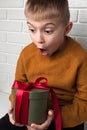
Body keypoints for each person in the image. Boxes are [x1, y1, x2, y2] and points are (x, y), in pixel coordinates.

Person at [0, 0, 87, 130]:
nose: (38, 39)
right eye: (32, 29)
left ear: (66, 29)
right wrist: (18, 110)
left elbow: (84, 103)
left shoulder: (80, 57)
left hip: (66, 116)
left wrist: (52, 119)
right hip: (31, 110)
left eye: (47, 31)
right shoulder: (26, 54)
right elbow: (17, 86)